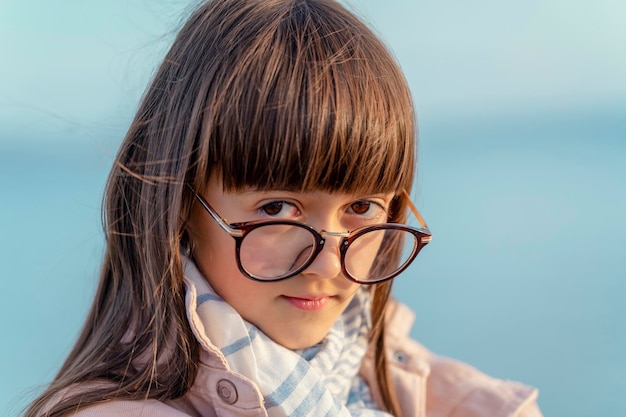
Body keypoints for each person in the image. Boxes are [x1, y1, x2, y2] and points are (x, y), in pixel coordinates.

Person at [24, 0, 542, 416]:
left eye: (362, 206)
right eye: (276, 208)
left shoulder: (396, 381)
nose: (327, 264)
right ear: (180, 203)